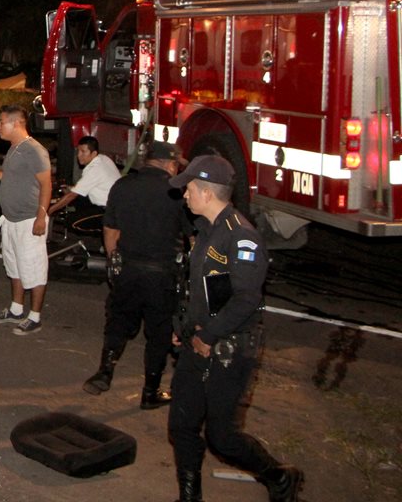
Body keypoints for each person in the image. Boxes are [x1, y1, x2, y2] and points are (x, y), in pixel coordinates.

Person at [167, 155, 304, 502]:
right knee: (181, 425)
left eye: (190, 189)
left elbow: (245, 300)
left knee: (222, 436)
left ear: (207, 193)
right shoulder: (205, 229)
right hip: (197, 341)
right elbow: (202, 289)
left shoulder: (241, 237)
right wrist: (184, 330)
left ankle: (279, 476)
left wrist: (208, 336)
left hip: (229, 348)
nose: (184, 195)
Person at [83, 140, 191, 408]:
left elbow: (110, 230)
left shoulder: (123, 185)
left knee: (118, 322)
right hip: (162, 275)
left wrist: (114, 263)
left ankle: (104, 372)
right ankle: (150, 391)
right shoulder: (178, 191)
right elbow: (192, 237)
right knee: (159, 333)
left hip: (127, 269)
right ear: (169, 163)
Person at [0, 105, 52, 334]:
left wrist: (41, 217)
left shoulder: (34, 150)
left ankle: (35, 316)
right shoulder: (14, 148)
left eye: (1, 122)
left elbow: (46, 184)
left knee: (33, 267)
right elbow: (15, 176)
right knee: (14, 266)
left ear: (17, 124)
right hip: (11, 219)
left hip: (29, 219)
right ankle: (16, 309)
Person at [46, 136, 121, 234]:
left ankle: (108, 232)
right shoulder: (103, 158)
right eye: (78, 151)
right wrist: (71, 190)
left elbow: (71, 195)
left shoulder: (95, 169)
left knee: (71, 222)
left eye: (83, 152)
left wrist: (50, 211)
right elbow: (79, 189)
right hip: (113, 202)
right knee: (75, 199)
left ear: (93, 153)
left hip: (110, 210)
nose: (79, 155)